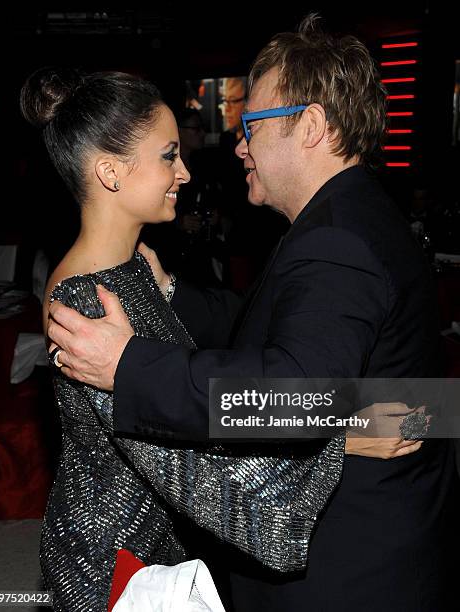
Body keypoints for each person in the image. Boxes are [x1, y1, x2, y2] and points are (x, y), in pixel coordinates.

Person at [47, 14, 454, 612]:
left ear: (310, 126)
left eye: (251, 127)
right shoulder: (360, 212)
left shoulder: (337, 241)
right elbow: (299, 342)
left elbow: (296, 392)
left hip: (356, 563)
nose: (237, 146)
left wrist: (130, 366)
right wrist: (174, 293)